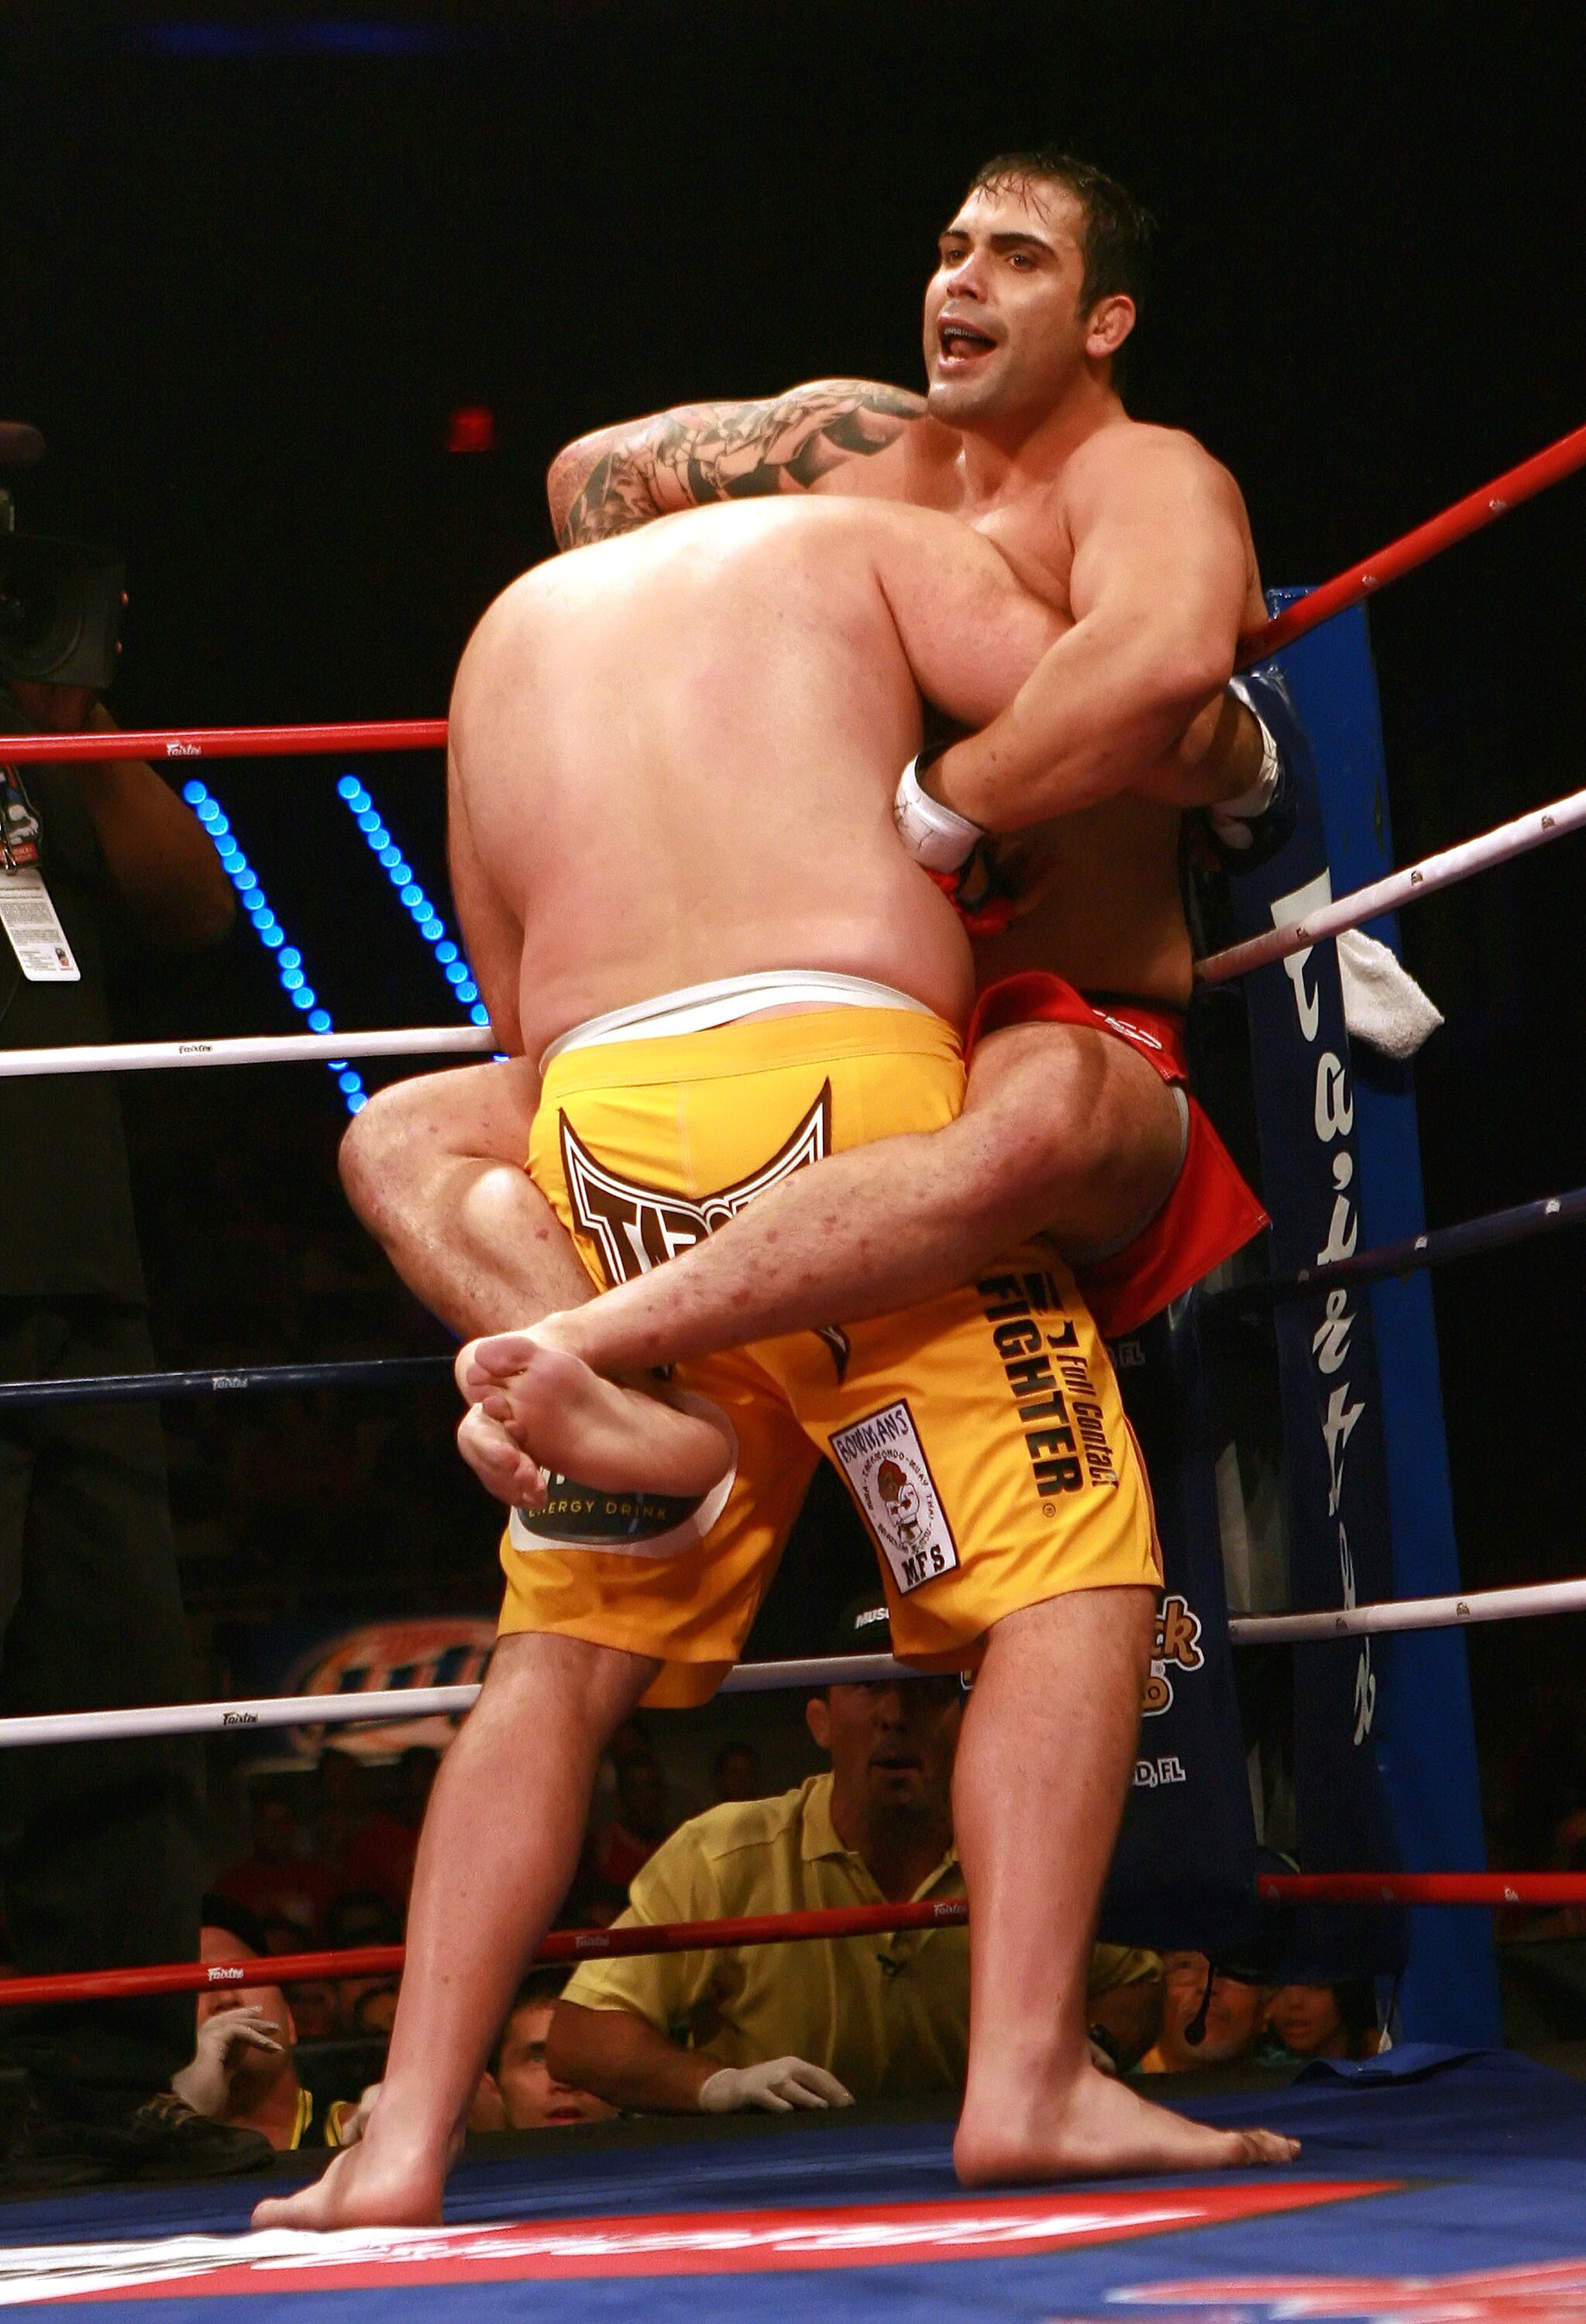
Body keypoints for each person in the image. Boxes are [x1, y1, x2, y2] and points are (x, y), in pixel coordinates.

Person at [256, 461, 1295, 2235]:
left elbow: (507, 1000)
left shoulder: (508, 632)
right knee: (1067, 1576)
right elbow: (1089, 719)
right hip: (840, 1097)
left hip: (599, 1124)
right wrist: (1231, 760)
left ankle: (403, 2130)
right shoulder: (861, 541)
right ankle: (1029, 2070)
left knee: (556, 1653)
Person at [338, 147, 1280, 1506]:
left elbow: (1167, 703)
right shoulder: (853, 457)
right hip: (809, 1015)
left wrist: (946, 801)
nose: (965, 275)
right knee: (401, 1140)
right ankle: (636, 1428)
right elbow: (589, 480)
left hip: (1039, 1018)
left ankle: (579, 1347)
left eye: (1019, 257)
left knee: (1040, 1119)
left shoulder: (1132, 477)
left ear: (1103, 322)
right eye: (954, 248)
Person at [0, 635, 255, 2185]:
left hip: (75, 1277)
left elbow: (193, 907)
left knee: (113, 1676)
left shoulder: (53, 757)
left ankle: (99, 2077)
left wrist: (67, 705)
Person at [551, 1598, 1162, 2110]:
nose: (895, 1716)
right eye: (869, 1687)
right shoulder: (722, 1854)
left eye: (924, 1690)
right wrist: (715, 2086)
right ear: (820, 1722)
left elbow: (1137, 1984)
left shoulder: (1028, 1846)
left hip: (981, 2170)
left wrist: (1091, 2046)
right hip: (783, 2180)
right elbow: (581, 2035)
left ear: (972, 1718)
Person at [1137, 1952, 1268, 2075]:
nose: (1207, 1985)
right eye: (1185, 1966)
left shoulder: (1285, 2088)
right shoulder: (1119, 2088)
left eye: (1234, 1970)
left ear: (1267, 2003)